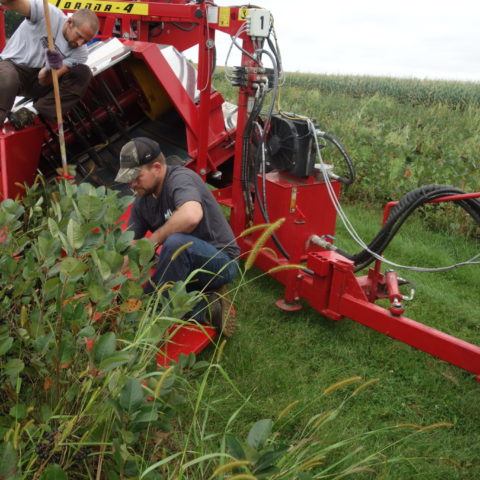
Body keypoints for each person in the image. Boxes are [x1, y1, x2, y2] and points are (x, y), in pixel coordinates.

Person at [115, 137, 240, 334]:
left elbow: (191, 215)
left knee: (175, 243)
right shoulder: (142, 201)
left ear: (157, 167)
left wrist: (152, 240)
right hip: (183, 266)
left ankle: (149, 319)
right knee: (134, 292)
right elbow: (129, 247)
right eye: (128, 178)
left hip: (220, 262)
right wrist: (107, 281)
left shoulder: (180, 179)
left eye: (136, 176)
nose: (131, 183)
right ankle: (207, 307)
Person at [0, 0, 98, 128]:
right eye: (79, 36)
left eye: (86, 41)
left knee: (83, 73)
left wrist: (49, 68)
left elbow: (44, 81)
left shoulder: (81, 53)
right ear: (69, 23)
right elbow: (13, 3)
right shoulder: (47, 13)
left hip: (38, 80)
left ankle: (31, 112)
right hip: (12, 66)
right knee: (9, 77)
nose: (80, 43)